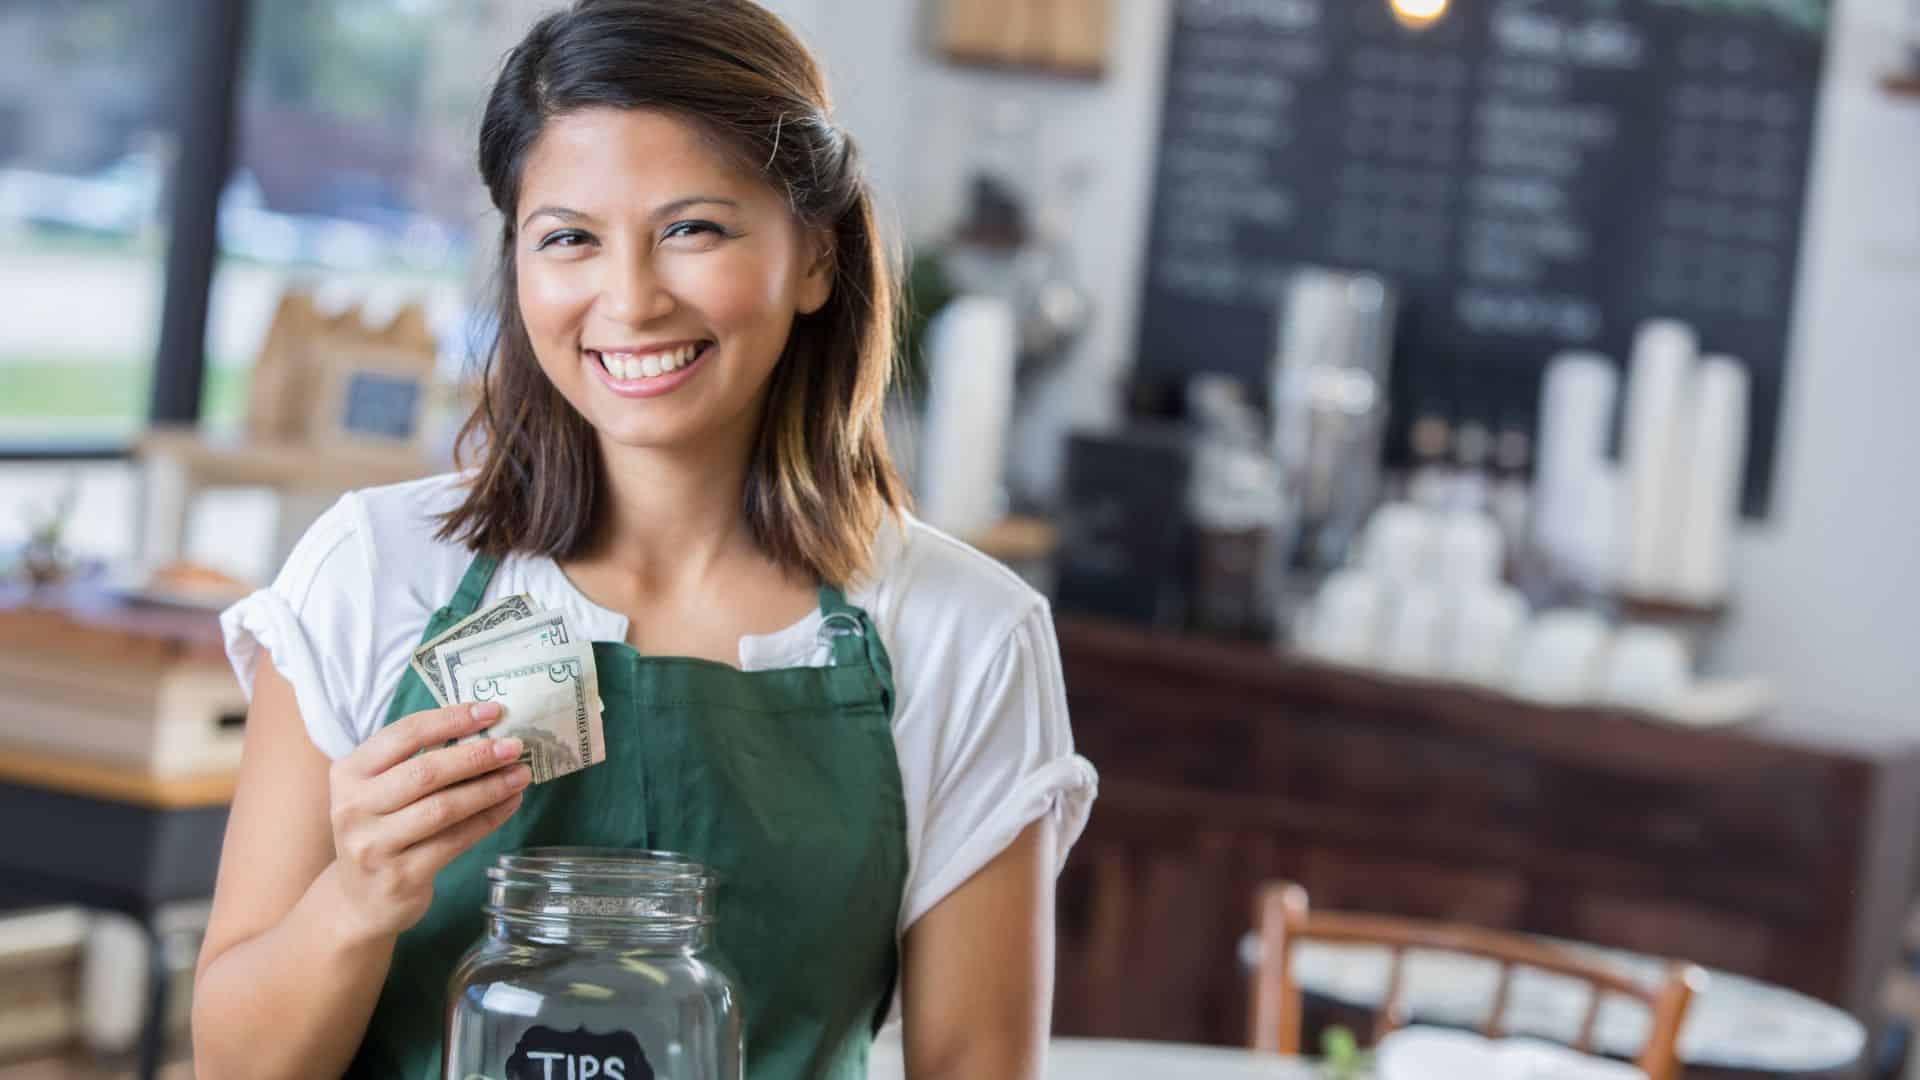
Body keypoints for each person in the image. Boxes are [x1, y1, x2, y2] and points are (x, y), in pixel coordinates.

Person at [189, 2, 1097, 1077]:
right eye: (569, 237)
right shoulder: (377, 569)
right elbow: (234, 1067)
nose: (629, 298)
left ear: (814, 257)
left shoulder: (965, 634)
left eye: (693, 229)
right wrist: (357, 897)